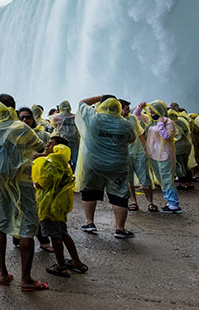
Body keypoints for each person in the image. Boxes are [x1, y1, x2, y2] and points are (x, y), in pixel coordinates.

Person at [0, 94, 46, 291]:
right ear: (13, 108)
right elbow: (40, 146)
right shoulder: (20, 128)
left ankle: (3, 273)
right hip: (21, 182)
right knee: (27, 227)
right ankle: (26, 279)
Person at [76, 95, 137, 238]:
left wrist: (101, 96)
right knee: (120, 195)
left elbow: (81, 103)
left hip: (93, 164)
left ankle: (89, 222)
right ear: (119, 109)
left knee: (90, 191)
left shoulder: (93, 118)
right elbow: (131, 139)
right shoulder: (125, 124)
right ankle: (120, 229)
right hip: (117, 165)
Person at [32, 140, 87, 278]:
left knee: (55, 236)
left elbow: (42, 183)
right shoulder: (64, 163)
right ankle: (76, 261)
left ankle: (61, 266)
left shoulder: (51, 164)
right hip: (59, 206)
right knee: (63, 233)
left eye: (50, 144)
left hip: (49, 206)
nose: (47, 145)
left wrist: (33, 183)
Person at [133, 101, 181, 213]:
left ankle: (174, 204)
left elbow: (167, 136)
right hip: (153, 155)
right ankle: (169, 201)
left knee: (168, 179)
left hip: (165, 154)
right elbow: (136, 116)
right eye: (150, 110)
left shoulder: (168, 122)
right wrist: (140, 107)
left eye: (153, 110)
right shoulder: (150, 121)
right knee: (161, 179)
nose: (151, 112)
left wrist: (160, 124)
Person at [50, 100, 81, 168]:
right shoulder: (75, 117)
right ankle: (75, 174)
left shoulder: (56, 118)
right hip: (75, 140)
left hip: (63, 140)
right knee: (75, 159)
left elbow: (54, 127)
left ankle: (66, 173)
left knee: (64, 159)